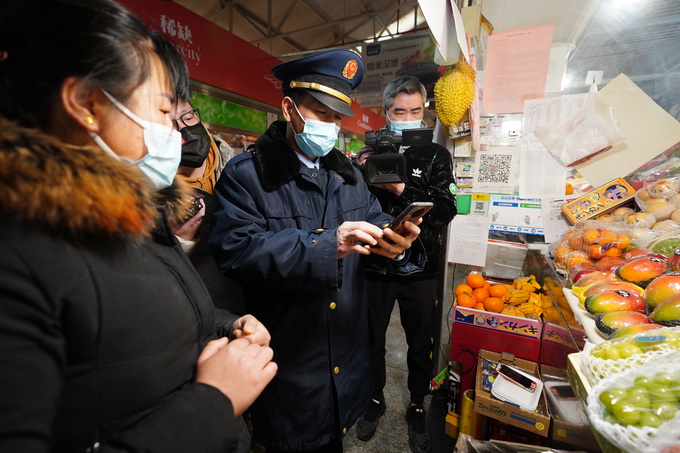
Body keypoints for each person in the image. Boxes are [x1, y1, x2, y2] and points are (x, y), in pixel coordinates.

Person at [0, 1, 276, 452]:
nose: (176, 131)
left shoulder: (134, 216)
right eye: (165, 111)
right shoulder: (19, 261)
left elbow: (155, 322)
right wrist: (214, 401)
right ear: (87, 103)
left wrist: (227, 328)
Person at [209, 49, 423, 452]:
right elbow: (236, 251)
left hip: (346, 353)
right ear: (289, 108)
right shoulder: (247, 177)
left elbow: (373, 215)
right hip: (291, 361)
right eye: (321, 112)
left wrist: (392, 239)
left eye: (336, 117)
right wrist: (328, 245)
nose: (331, 126)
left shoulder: (349, 174)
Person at [354, 76, 457, 453]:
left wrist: (402, 190)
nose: (408, 117)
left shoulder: (435, 155)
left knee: (420, 343)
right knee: (370, 339)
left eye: (416, 110)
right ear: (386, 112)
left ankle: (417, 404)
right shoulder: (369, 150)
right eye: (400, 111)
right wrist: (358, 171)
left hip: (422, 270)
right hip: (375, 267)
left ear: (424, 110)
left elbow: (446, 210)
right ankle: (374, 400)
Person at [153, 36, 246, 315]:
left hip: (238, 285)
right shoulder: (154, 175)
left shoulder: (230, 158)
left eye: (188, 117)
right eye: (170, 121)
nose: (183, 128)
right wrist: (179, 241)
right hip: (188, 294)